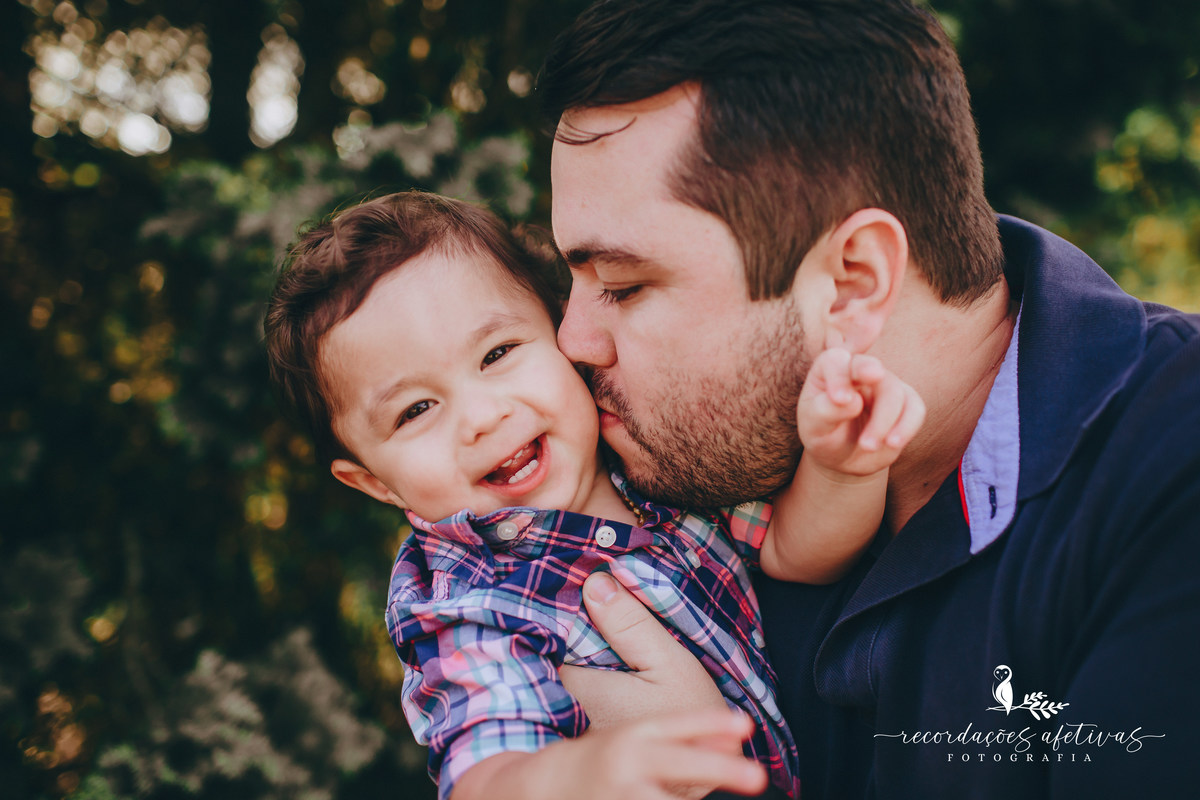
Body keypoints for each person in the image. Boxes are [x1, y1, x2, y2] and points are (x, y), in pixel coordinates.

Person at [537, 0, 1200, 797]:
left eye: (622, 284)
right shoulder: (671, 499)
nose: (571, 341)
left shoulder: (1171, 471)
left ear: (853, 280)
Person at [262, 191, 924, 799]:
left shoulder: (654, 467)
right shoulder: (468, 605)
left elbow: (796, 554)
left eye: (496, 354)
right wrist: (587, 771)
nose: (482, 416)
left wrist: (844, 469)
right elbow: (488, 774)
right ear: (374, 482)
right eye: (415, 410)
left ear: (561, 333)